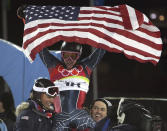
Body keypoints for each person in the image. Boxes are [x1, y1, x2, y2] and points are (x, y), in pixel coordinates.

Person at [39, 41, 105, 130]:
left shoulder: (86, 67)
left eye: (73, 56)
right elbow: (39, 47)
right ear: (62, 54)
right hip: (62, 118)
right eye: (66, 55)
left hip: (78, 116)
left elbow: (102, 48)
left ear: (79, 56)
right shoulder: (54, 66)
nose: (69, 59)